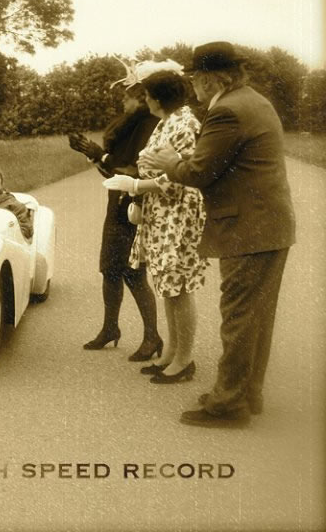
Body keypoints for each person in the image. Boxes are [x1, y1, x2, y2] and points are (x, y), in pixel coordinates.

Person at [140, 41, 296, 428]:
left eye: (195, 78)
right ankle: (246, 394)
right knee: (256, 319)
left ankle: (227, 406)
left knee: (238, 318)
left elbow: (198, 172)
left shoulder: (226, 111)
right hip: (270, 226)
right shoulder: (254, 100)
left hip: (248, 229)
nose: (192, 85)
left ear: (210, 79)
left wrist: (170, 161)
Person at [104, 68, 208, 385]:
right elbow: (153, 164)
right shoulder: (167, 121)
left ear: (158, 99)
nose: (145, 100)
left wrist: (136, 186)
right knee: (167, 284)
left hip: (179, 212)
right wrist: (139, 192)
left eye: (148, 95)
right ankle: (171, 353)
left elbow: (182, 175)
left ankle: (184, 360)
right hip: (163, 211)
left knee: (179, 286)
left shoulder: (185, 124)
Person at [68, 58, 161, 360]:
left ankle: (152, 337)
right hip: (118, 204)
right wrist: (92, 154)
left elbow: (136, 173)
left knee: (133, 272)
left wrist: (102, 156)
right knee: (109, 269)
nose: (122, 100)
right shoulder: (130, 125)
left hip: (137, 206)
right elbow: (112, 174)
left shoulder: (149, 125)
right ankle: (110, 328)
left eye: (127, 95)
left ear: (140, 97)